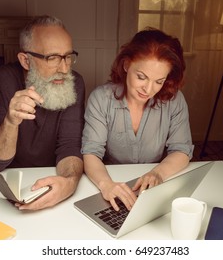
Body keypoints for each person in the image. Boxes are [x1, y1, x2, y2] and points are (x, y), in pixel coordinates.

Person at [81, 28, 194, 211]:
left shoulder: (175, 100)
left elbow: (181, 149)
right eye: (142, 77)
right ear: (126, 65)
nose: (148, 89)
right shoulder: (101, 99)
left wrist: (158, 174)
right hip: (113, 184)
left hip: (152, 190)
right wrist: (106, 185)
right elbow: (91, 153)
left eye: (159, 81)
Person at [0, 15, 85, 211]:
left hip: (54, 174)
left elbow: (69, 145)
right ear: (26, 60)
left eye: (68, 57)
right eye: (52, 58)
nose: (64, 68)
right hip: (12, 183)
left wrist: (69, 183)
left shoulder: (74, 82)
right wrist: (10, 122)